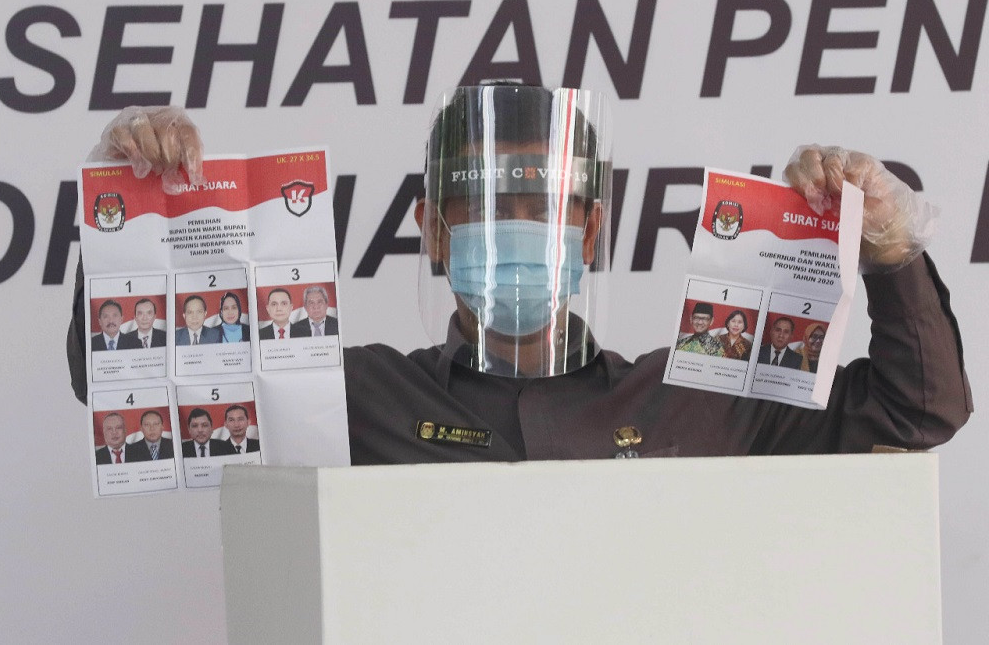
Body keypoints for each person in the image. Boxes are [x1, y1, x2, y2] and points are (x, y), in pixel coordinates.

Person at [68, 86, 972, 463]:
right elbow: (130, 380)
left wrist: (891, 251)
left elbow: (915, 410)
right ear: (432, 231)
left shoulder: (695, 395)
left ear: (591, 232)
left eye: (543, 210)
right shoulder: (356, 398)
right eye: (490, 207)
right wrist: (135, 206)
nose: (518, 234)